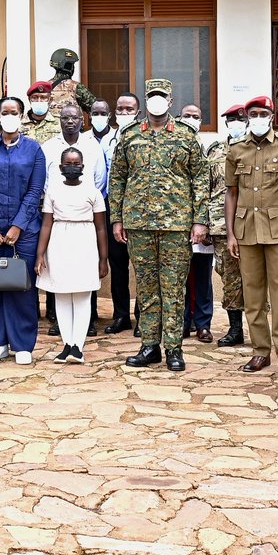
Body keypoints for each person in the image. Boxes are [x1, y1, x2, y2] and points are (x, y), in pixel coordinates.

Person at [110, 79, 208, 373]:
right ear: (146, 98)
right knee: (147, 288)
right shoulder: (129, 136)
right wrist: (117, 217)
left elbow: (200, 179)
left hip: (176, 225)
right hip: (138, 224)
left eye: (161, 96)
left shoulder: (185, 135)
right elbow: (117, 179)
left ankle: (174, 348)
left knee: (174, 288)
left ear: (170, 99)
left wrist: (200, 219)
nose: (156, 100)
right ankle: (150, 345)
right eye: (151, 95)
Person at [225, 95, 278, 379]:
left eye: (263, 114)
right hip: (246, 231)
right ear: (247, 118)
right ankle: (260, 351)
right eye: (253, 114)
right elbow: (231, 192)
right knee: (253, 296)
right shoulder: (236, 149)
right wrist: (231, 233)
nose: (258, 118)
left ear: (271, 116)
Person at [0, 96, 46, 364]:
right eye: (4, 112)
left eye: (13, 112)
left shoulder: (34, 150)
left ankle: (22, 343)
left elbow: (35, 191)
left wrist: (18, 225)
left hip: (23, 230)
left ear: (21, 115)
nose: (8, 116)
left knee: (20, 285)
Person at [36, 147, 109, 362]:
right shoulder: (53, 191)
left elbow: (101, 228)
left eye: (76, 163)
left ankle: (78, 345)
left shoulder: (93, 192)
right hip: (58, 242)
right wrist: (40, 254)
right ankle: (67, 343)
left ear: (83, 167)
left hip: (85, 242)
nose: (72, 167)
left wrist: (103, 258)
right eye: (68, 163)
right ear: (60, 167)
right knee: (62, 294)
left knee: (82, 296)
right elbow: (46, 225)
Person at [41, 102, 107, 337]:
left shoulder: (92, 147)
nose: (70, 121)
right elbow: (43, 179)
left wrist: (80, 198)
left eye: (75, 118)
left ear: (82, 120)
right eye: (65, 118)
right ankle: (59, 321)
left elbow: (99, 179)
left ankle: (87, 321)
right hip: (57, 212)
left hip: (84, 217)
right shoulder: (48, 147)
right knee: (58, 270)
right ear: (59, 120)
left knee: (85, 271)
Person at [100, 92, 142, 336]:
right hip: (114, 211)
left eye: (129, 109)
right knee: (118, 267)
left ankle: (142, 317)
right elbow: (105, 178)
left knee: (143, 268)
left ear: (138, 111)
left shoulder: (145, 136)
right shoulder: (108, 141)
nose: (124, 113)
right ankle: (121, 316)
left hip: (139, 213)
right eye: (121, 109)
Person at [212, 103, 248, 347]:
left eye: (240, 118)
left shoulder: (254, 149)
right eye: (231, 119)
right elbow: (206, 187)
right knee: (229, 279)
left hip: (252, 223)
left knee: (255, 279)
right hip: (221, 227)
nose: (236, 122)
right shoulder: (215, 151)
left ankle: (259, 328)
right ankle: (235, 329)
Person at [178, 103, 213, 342]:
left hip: (200, 220)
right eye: (187, 116)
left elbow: (209, 188)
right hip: (177, 222)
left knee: (202, 275)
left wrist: (203, 221)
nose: (191, 119)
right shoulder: (173, 144)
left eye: (196, 116)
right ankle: (181, 323)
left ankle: (202, 324)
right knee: (178, 276)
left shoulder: (209, 149)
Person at [48, 48, 96, 116]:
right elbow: (96, 108)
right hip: (73, 126)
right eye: (72, 65)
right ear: (69, 66)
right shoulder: (77, 87)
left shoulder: (45, 87)